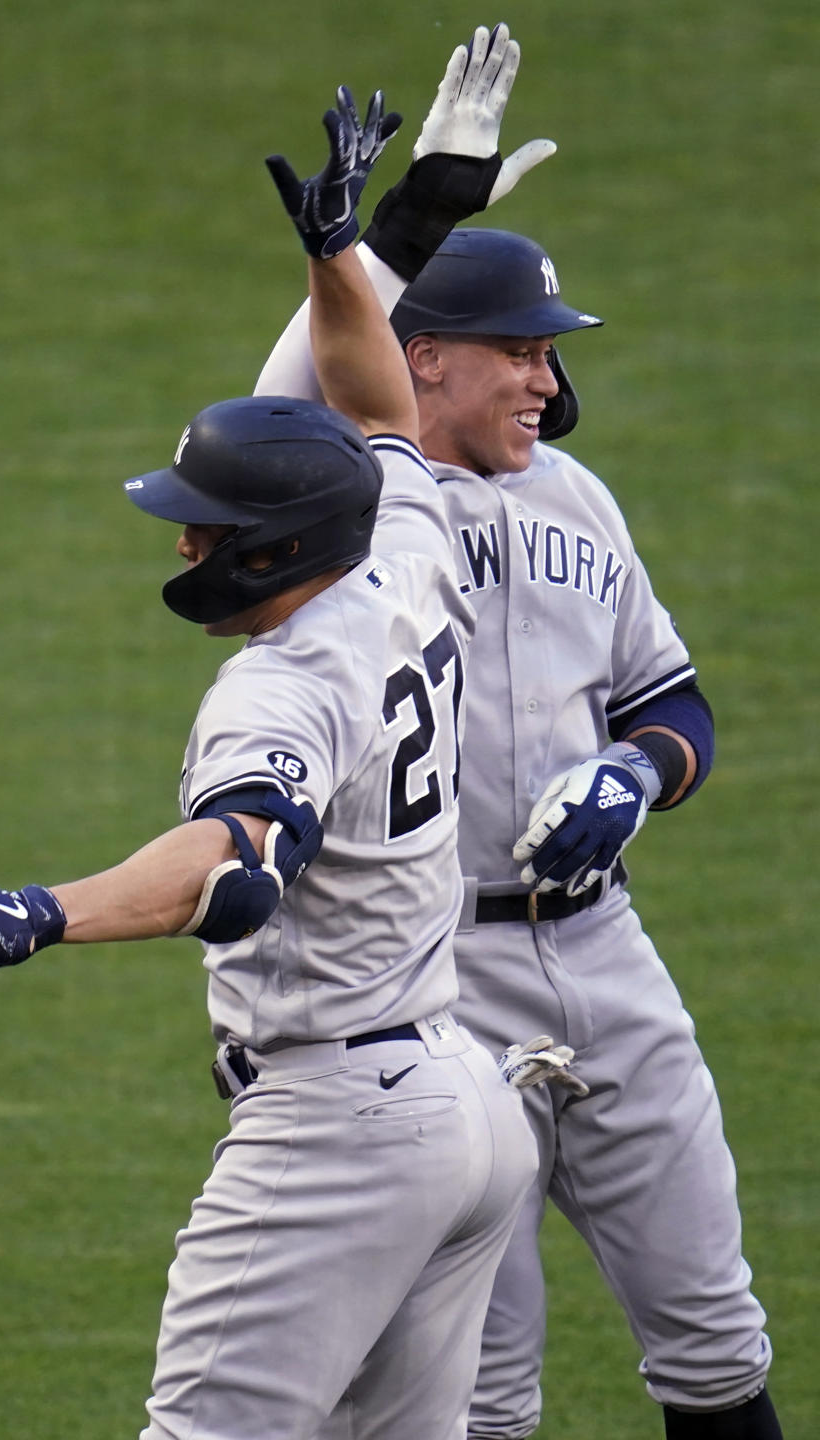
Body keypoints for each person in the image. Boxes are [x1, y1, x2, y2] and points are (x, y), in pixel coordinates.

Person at [0, 86, 556, 1440]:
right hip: (466, 1107)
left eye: (204, 528)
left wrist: (45, 911)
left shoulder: (281, 689)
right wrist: (344, 255)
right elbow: (373, 388)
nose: (185, 545)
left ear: (270, 547)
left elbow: (238, 868)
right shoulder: (404, 542)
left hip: (339, 1135)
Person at [254, 25, 783, 1440]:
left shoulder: (580, 500)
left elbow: (674, 704)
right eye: (523, 354)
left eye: (553, 356)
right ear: (422, 359)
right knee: (482, 1395)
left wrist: (632, 771)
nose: (550, 382)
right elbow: (271, 401)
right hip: (434, 983)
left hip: (606, 956)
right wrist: (408, 222)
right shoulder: (343, 501)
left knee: (717, 1341)